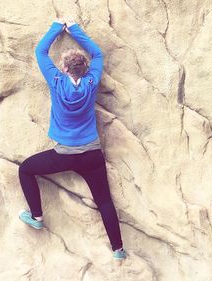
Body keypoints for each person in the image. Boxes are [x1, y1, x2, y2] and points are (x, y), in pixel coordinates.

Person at [18, 18, 126, 261]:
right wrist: (75, 29)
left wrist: (58, 27)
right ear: (85, 68)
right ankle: (118, 250)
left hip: (64, 156)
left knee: (25, 170)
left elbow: (40, 50)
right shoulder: (91, 81)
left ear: (64, 69)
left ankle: (36, 217)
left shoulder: (56, 82)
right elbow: (97, 53)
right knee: (105, 201)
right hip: (92, 154)